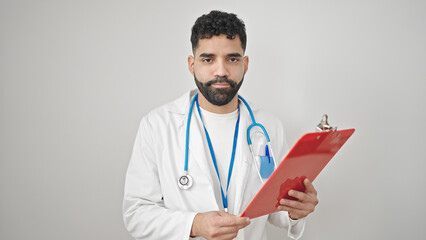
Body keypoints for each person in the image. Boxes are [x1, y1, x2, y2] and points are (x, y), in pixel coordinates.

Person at [123, 10, 319, 240]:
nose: (221, 71)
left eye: (232, 59)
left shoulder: (268, 126)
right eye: (208, 59)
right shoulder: (157, 125)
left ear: (245, 64)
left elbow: (276, 211)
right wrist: (194, 224)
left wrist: (296, 210)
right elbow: (136, 213)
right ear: (191, 64)